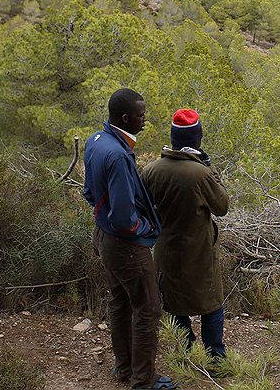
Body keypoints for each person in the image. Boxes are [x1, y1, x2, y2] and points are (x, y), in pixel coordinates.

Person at [83, 88, 177, 390]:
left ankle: (124, 369)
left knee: (120, 302)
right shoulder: (118, 156)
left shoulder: (96, 141)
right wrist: (145, 231)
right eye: (140, 114)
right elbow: (124, 219)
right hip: (124, 245)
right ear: (125, 117)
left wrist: (108, 218)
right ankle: (143, 380)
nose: (145, 118)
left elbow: (88, 192)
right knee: (148, 307)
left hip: (103, 236)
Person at [142, 109, 230, 359]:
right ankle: (214, 357)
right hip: (200, 251)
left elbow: (143, 207)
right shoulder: (201, 174)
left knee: (174, 303)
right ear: (197, 139)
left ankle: (186, 351)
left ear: (173, 137)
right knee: (211, 304)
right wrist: (210, 169)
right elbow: (222, 207)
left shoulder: (151, 170)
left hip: (166, 249)